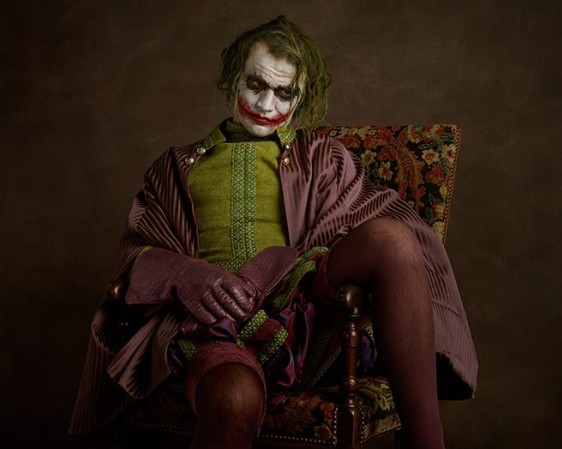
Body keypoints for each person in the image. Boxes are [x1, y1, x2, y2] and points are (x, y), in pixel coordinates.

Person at [70, 15, 477, 449]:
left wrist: (279, 268)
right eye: (255, 84)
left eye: (284, 93)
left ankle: (425, 442)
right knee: (233, 399)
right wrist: (186, 273)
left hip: (305, 318)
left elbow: (373, 222)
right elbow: (136, 251)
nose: (266, 104)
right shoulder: (175, 167)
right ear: (232, 78)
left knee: (391, 238)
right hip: (212, 328)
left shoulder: (322, 157)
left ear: (301, 99)